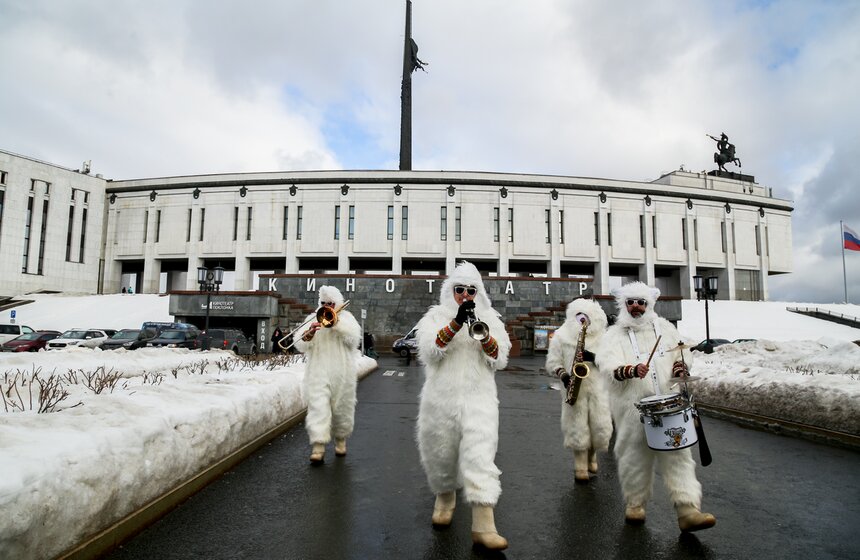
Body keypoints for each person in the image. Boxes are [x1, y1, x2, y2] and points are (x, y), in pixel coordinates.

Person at [596, 281, 716, 532]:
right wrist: (628, 370)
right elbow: (606, 364)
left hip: (669, 404)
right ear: (624, 305)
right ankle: (635, 505)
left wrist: (680, 366)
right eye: (631, 303)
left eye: (641, 302)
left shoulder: (665, 329)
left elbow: (681, 353)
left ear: (649, 304)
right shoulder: (614, 335)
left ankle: (687, 510)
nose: (636, 307)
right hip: (632, 408)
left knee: (679, 455)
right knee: (634, 456)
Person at [415, 261, 512, 551]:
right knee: (440, 454)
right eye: (460, 290)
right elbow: (429, 353)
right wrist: (456, 322)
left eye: (471, 290)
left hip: (479, 398)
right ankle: (445, 497)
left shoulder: (491, 319)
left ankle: (484, 525)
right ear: (450, 291)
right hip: (440, 399)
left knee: (481, 456)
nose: (465, 295)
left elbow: (501, 359)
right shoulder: (434, 317)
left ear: (478, 292)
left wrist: (485, 339)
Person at [545, 298, 612, 483]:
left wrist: (593, 357)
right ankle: (580, 466)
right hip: (574, 389)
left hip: (599, 390)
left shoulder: (604, 337)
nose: (583, 322)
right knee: (577, 427)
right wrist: (564, 375)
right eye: (580, 317)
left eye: (587, 318)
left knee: (598, 427)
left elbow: (612, 363)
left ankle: (592, 455)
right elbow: (552, 362)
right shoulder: (561, 336)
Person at [292, 286, 361, 464]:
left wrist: (337, 324)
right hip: (318, 370)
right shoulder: (312, 318)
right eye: (323, 303)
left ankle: (341, 440)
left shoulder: (347, 318)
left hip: (342, 372)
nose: (326, 306)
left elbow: (354, 341)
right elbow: (300, 345)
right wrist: (309, 333)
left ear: (336, 303)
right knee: (318, 407)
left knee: (341, 408)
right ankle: (318, 447)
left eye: (330, 303)